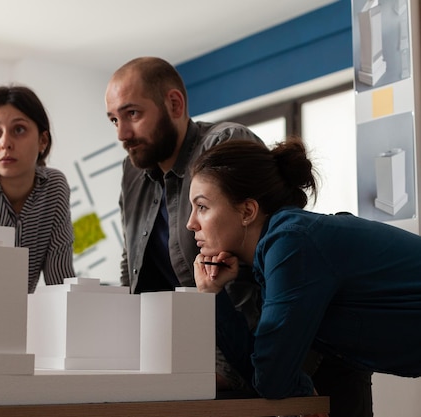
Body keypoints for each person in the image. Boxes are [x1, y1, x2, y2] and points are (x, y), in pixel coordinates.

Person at [188, 138, 421, 415]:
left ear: (247, 211)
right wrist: (214, 295)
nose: (190, 223)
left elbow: (271, 377)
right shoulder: (275, 254)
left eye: (202, 207)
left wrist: (294, 386)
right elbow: (262, 370)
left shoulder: (291, 244)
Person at [104, 56, 262, 391]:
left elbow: (245, 278)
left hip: (243, 351)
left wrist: (225, 373)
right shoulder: (132, 172)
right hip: (170, 354)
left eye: (132, 114)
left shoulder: (223, 145)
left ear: (174, 104)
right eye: (113, 119)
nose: (122, 134)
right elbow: (129, 265)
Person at [0, 85, 75, 293]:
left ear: (42, 140)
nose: (5, 143)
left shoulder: (54, 186)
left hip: (20, 317)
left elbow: (59, 281)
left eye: (19, 130)